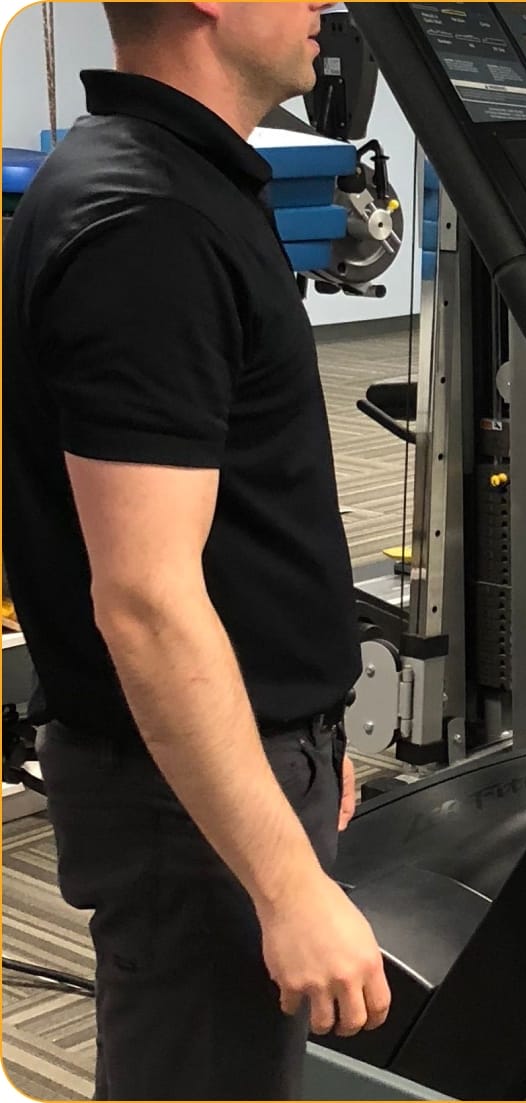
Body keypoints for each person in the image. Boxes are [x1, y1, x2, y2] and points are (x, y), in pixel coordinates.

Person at [2, 3, 391, 1098]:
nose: (324, 4)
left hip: (232, 762)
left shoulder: (185, 180)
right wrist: (283, 879)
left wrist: (306, 728)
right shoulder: (145, 221)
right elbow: (147, 600)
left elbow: (233, 530)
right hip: (186, 807)